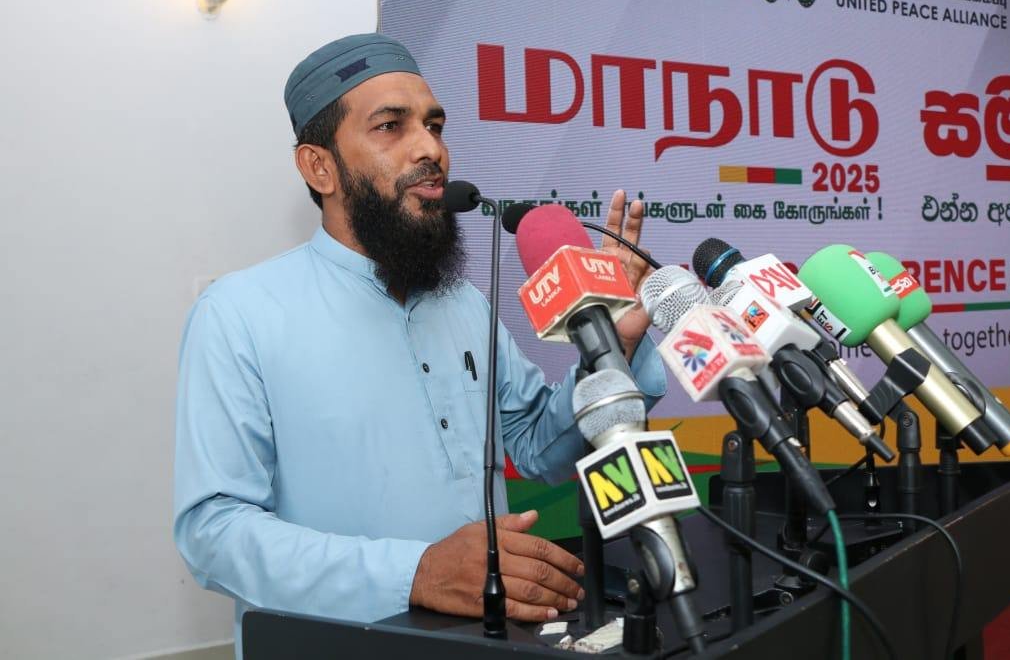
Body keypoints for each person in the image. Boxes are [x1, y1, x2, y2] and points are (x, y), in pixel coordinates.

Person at [173, 32, 665, 655]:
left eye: (434, 126)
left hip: (488, 642)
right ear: (319, 167)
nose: (431, 148)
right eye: (390, 126)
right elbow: (213, 533)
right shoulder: (238, 314)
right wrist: (416, 573)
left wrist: (611, 346)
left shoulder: (464, 304)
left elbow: (539, 446)